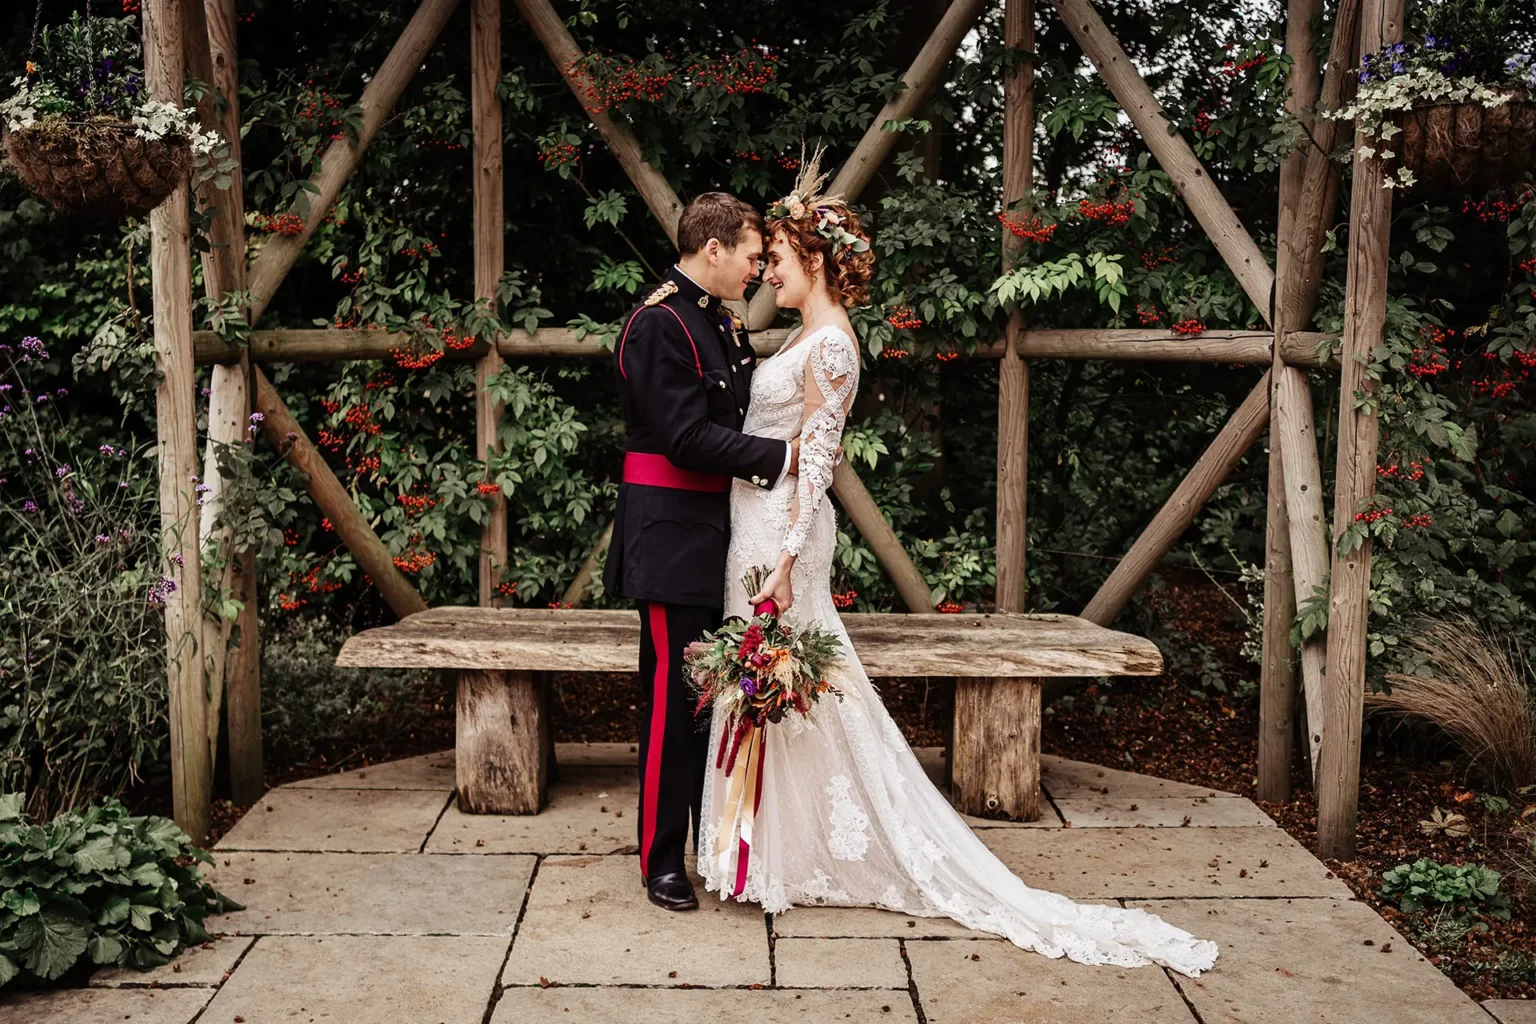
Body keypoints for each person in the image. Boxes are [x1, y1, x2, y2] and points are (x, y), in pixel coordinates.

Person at [696, 150, 1219, 978]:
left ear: (819, 261)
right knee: (776, 690)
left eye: (783, 262)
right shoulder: (803, 336)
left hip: (780, 538)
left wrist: (791, 560)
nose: (771, 274)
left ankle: (793, 856)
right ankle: (766, 855)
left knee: (795, 687)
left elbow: (820, 461)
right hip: (753, 527)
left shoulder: (831, 348)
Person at [604, 191, 797, 912]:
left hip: (718, 532)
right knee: (671, 703)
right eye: (751, 255)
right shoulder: (659, 324)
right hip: (672, 539)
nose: (755, 270)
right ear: (711, 249)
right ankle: (660, 861)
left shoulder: (717, 321)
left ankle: (705, 843)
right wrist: (782, 457)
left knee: (705, 702)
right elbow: (684, 439)